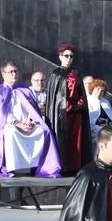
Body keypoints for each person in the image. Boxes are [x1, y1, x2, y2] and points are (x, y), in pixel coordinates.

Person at [0, 61, 61, 178]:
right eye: (11, 72)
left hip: (27, 125)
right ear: (3, 74)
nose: (14, 74)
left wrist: (31, 121)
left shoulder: (24, 90)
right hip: (9, 126)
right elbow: (1, 115)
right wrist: (18, 124)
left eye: (15, 71)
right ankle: (12, 168)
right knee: (11, 132)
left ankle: (38, 167)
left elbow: (32, 110)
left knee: (43, 131)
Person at [45, 44, 91, 174]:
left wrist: (80, 104)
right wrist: (69, 106)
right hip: (62, 115)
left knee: (76, 141)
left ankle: (76, 167)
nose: (69, 58)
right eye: (66, 56)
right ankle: (63, 167)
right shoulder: (55, 75)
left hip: (76, 115)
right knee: (63, 140)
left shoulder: (75, 74)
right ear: (60, 57)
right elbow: (56, 99)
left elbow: (81, 93)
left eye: (71, 56)